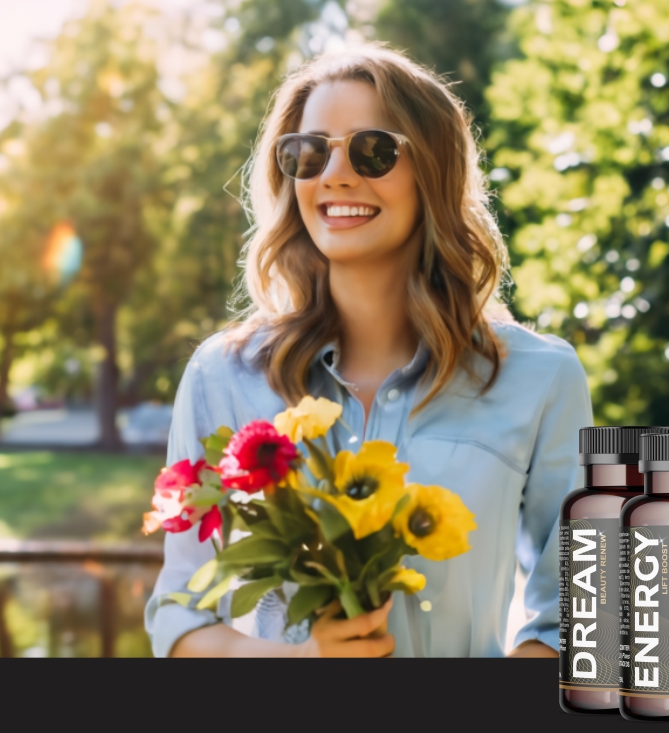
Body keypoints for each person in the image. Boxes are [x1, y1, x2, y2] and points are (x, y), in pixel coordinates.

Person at [144, 43, 592, 657]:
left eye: (372, 150)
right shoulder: (223, 375)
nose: (334, 175)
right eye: (307, 153)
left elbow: (575, 618)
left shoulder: (540, 378)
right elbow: (178, 615)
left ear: (434, 171)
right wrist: (304, 662)